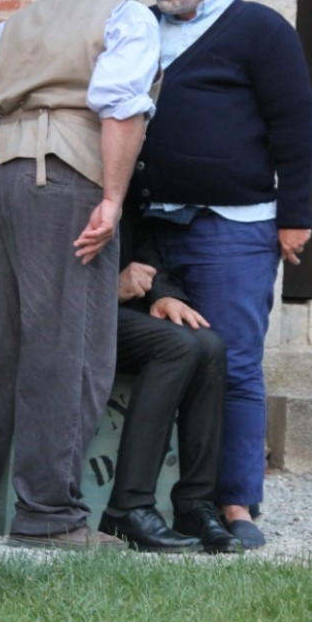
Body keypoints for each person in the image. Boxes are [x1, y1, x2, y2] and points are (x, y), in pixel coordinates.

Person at [0, 0, 161, 548]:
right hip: (64, 184)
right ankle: (48, 516)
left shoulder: (20, 21)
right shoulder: (127, 17)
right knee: (69, 347)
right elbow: (120, 107)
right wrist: (112, 200)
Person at [130, 0, 312, 550]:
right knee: (171, 357)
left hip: (232, 228)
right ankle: (161, 501)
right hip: (152, 223)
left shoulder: (259, 29)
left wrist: (295, 214)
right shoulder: (141, 28)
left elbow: (294, 122)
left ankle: (235, 503)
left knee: (233, 363)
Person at [98, 205, 243, 554]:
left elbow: (143, 237)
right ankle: (128, 507)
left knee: (210, 345)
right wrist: (108, 285)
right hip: (74, 310)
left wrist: (161, 291)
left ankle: (194, 505)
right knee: (176, 346)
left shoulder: (125, 178)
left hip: (123, 308)